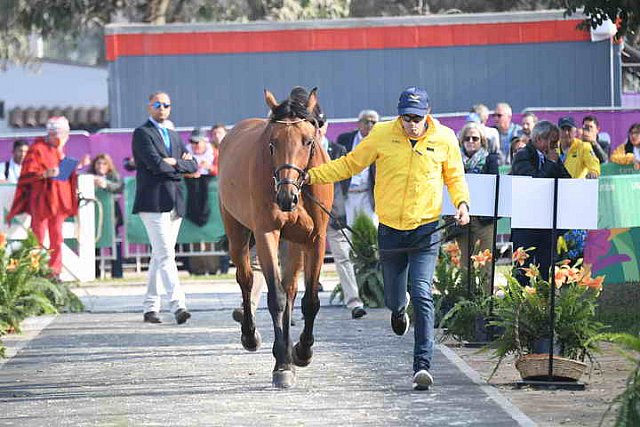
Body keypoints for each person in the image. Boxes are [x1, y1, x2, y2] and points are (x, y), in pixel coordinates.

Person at [306, 87, 470, 390]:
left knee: (422, 294)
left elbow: (455, 177)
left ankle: (422, 365)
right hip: (391, 229)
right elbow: (350, 164)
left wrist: (462, 204)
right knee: (394, 298)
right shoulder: (381, 134)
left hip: (425, 229)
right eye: (407, 117)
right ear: (400, 114)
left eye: (417, 118)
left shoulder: (444, 138)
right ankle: (397, 309)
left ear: (427, 114)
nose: (412, 123)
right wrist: (310, 176)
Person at [132, 91, 198, 324]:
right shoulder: (142, 133)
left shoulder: (173, 133)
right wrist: (177, 164)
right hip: (152, 202)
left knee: (159, 256)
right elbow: (156, 165)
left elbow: (193, 164)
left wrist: (176, 163)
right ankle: (178, 304)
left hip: (173, 201)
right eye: (157, 104)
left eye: (166, 105)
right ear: (149, 107)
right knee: (166, 255)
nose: (162, 108)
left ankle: (150, 308)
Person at [7, 117, 78, 279]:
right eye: (60, 135)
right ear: (52, 134)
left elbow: (63, 175)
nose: (62, 139)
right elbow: (27, 175)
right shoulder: (37, 149)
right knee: (37, 237)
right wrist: (45, 173)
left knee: (57, 238)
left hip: (58, 201)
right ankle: (34, 270)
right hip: (41, 201)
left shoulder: (59, 149)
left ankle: (55, 272)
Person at [317, 109, 367, 319]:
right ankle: (296, 304)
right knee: (300, 259)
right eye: (314, 124)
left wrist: (338, 206)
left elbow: (343, 181)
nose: (317, 129)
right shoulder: (301, 149)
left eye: (320, 124)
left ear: (326, 126)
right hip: (308, 213)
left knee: (343, 256)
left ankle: (354, 301)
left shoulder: (338, 149)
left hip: (334, 211)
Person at [511, 121, 571, 283]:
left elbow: (567, 180)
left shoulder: (552, 156)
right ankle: (519, 303)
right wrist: (550, 164)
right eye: (552, 142)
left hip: (546, 219)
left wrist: (554, 163)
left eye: (556, 143)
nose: (554, 147)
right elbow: (533, 184)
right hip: (526, 222)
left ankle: (543, 302)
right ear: (538, 139)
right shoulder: (523, 155)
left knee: (546, 265)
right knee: (523, 267)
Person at [455, 122, 500, 291]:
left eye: (475, 138)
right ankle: (466, 298)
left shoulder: (490, 159)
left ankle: (485, 300)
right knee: (464, 262)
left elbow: (494, 186)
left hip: (484, 218)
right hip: (462, 216)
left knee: (485, 261)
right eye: (467, 138)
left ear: (482, 141)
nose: (471, 141)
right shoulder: (455, 161)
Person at [336, 110, 379, 226]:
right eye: (366, 121)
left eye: (373, 122)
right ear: (358, 123)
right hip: (348, 194)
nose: (369, 125)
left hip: (367, 194)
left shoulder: (380, 142)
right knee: (348, 230)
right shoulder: (345, 140)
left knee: (372, 229)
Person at [89, 153, 124, 278]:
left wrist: (105, 184)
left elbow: (119, 187)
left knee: (114, 242)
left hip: (111, 217)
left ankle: (117, 273)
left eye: (104, 163)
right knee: (93, 243)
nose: (100, 166)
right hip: (93, 216)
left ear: (109, 165)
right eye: (98, 163)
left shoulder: (114, 176)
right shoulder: (89, 176)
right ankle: (94, 273)